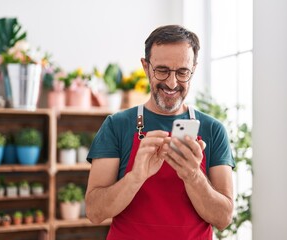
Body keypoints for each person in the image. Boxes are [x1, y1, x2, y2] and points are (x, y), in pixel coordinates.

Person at [85, 25, 235, 240]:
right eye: (162, 70)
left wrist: (193, 176)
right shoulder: (116, 126)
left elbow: (223, 219)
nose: (172, 83)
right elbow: (95, 212)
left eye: (182, 72)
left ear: (193, 69)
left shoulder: (213, 130)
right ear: (146, 67)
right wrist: (136, 177)